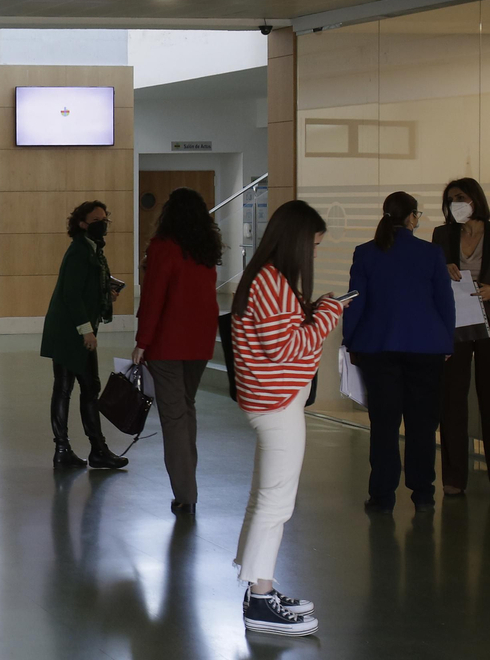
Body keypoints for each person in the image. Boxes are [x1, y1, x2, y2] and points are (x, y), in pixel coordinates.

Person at [230, 200, 345, 636]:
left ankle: (260, 587)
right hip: (277, 405)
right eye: (313, 245)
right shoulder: (272, 282)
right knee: (276, 503)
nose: (314, 253)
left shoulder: (263, 278)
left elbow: (281, 335)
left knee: (266, 499)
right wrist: (328, 315)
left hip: (271, 402)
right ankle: (260, 600)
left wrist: (312, 311)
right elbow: (285, 348)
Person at [342, 192, 455, 513]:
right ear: (412, 217)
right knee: (422, 424)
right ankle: (423, 494)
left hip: (378, 348)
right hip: (426, 348)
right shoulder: (431, 253)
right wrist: (446, 342)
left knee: (384, 424)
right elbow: (444, 302)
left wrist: (350, 340)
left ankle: (382, 495)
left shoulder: (365, 253)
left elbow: (356, 301)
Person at [431, 178, 490, 498]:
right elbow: (430, 276)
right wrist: (442, 269)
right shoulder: (442, 235)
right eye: (450, 199)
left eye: (460, 197)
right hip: (455, 323)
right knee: (452, 399)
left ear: (475, 199)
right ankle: (454, 477)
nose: (455, 204)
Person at [132, 187, 220, 514]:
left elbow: (154, 298)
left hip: (167, 344)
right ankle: (188, 486)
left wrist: (142, 342)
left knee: (174, 418)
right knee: (186, 407)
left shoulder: (162, 248)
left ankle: (186, 495)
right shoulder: (205, 249)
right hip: (200, 343)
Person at [40, 200, 127, 471]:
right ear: (82, 224)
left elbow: (86, 287)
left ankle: (96, 449)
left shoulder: (93, 250)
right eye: (96, 220)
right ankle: (64, 449)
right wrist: (86, 330)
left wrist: (105, 293)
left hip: (79, 330)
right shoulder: (79, 251)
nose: (102, 224)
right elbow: (71, 294)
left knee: (89, 387)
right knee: (66, 388)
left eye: (104, 219)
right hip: (70, 332)